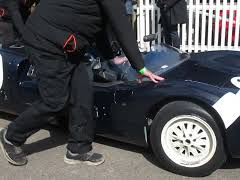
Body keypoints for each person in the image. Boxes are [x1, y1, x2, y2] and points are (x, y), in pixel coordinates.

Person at [0, 0, 164, 166]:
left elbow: (100, 25)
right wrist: (141, 67)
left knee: (82, 94)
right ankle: (11, 136)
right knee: (55, 102)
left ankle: (78, 148)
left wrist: (110, 57)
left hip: (71, 44)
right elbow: (122, 26)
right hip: (44, 41)